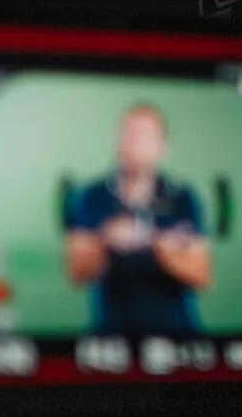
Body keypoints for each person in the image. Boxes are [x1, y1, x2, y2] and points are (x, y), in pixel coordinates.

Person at [62, 103, 212, 338]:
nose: (135, 143)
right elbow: (76, 272)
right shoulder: (91, 196)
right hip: (112, 338)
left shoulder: (183, 198)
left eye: (144, 136)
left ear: (163, 146)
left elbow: (201, 275)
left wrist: (155, 243)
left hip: (175, 337)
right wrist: (105, 240)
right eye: (129, 134)